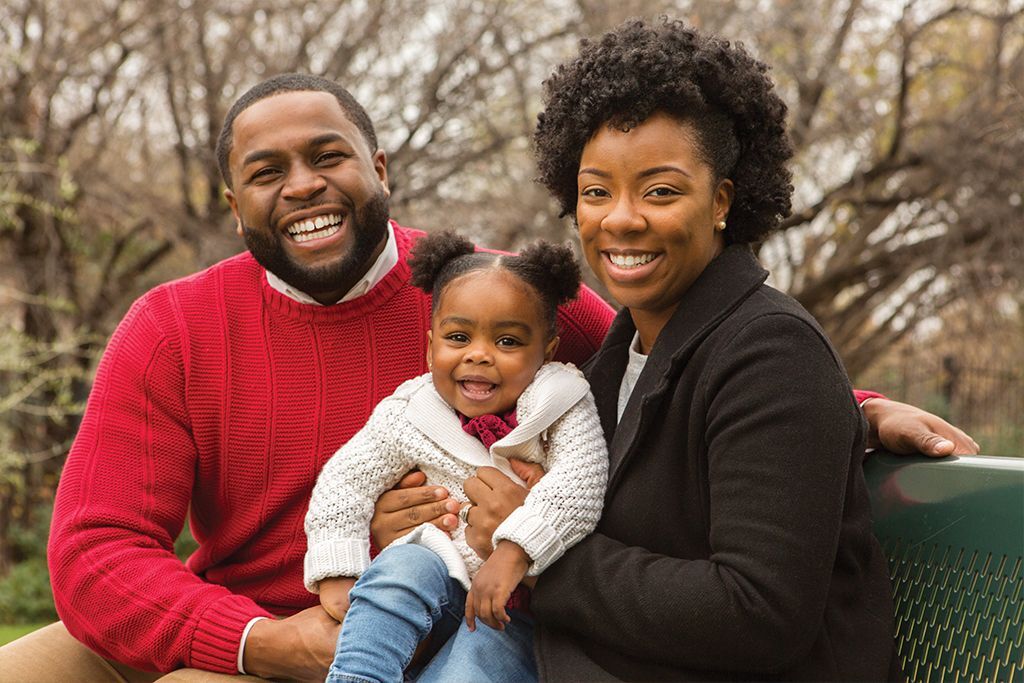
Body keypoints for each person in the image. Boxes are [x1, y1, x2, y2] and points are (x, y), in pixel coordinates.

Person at [0, 70, 975, 681]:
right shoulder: (173, 325)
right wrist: (264, 639)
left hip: (416, 614)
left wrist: (849, 408)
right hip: (252, 624)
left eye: (327, 155)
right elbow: (92, 556)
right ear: (232, 201)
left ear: (380, 166)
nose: (300, 184)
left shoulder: (484, 299)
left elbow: (654, 357)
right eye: (266, 170)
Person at [454, 18, 914, 680]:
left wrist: (537, 548)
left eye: (660, 191)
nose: (620, 218)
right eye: (596, 191)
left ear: (722, 199)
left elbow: (758, 612)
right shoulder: (611, 359)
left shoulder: (772, 353)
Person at [306, 231, 607, 682]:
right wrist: (337, 570)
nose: (479, 355)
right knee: (401, 568)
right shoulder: (410, 411)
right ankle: (359, 676)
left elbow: (580, 484)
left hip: (517, 608)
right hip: (441, 573)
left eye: (507, 342)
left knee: (470, 670)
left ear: (547, 350)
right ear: (430, 347)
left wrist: (514, 552)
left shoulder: (559, 402)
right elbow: (345, 481)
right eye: (459, 337)